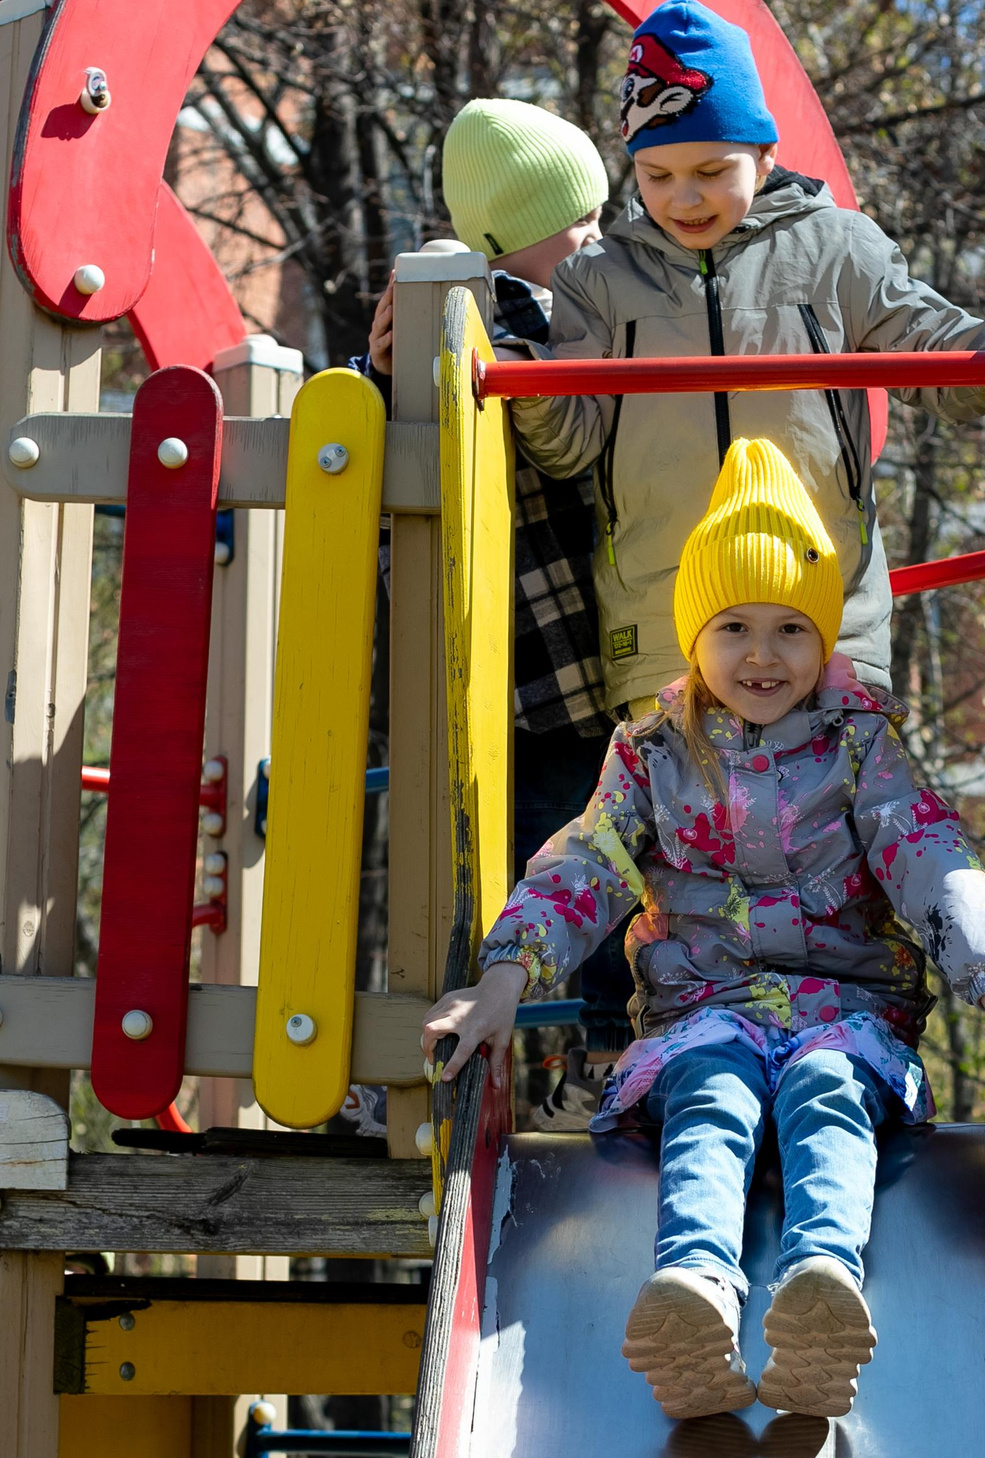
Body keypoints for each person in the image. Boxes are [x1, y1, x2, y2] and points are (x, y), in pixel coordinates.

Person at [422, 439, 985, 1420]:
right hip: (707, 1011)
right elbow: (583, 868)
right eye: (733, 626)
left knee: (825, 1089)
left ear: (825, 642)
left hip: (844, 1010)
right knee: (712, 1096)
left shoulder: (861, 751)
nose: (762, 655)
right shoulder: (650, 755)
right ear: (693, 638)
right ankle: (691, 1292)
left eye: (789, 629)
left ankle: (821, 1284)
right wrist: (504, 980)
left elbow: (927, 856)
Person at [510, 0, 985, 721]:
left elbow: (927, 345)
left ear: (767, 154)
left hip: (820, 620)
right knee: (677, 830)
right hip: (666, 630)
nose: (684, 198)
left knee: (835, 826)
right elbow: (569, 442)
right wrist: (527, 380)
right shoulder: (599, 279)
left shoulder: (838, 248)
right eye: (656, 175)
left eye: (712, 170)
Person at [360, 99, 633, 1127]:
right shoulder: (509, 315)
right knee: (581, 859)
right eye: (582, 225)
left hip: (518, 658)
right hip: (542, 654)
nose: (601, 240)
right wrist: (382, 375)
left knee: (550, 864)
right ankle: (592, 1054)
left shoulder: (507, 314)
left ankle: (545, 1057)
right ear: (505, 238)